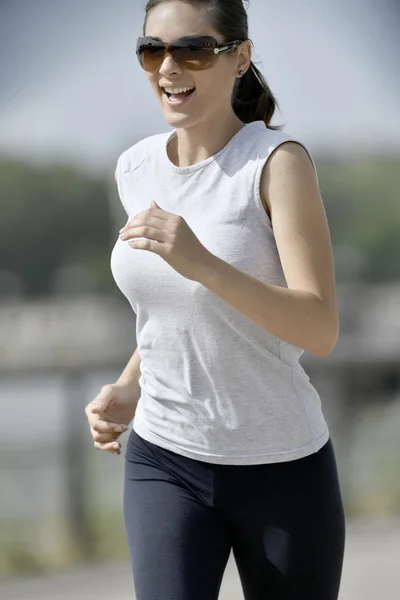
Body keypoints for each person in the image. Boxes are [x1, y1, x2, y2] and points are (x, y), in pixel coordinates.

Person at [85, 0, 346, 598]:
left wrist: (202, 262)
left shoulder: (277, 165)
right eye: (153, 50)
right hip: (164, 456)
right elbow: (172, 309)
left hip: (281, 466)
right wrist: (130, 384)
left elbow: (320, 327)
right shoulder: (134, 168)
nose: (169, 67)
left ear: (240, 59)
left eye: (192, 49)